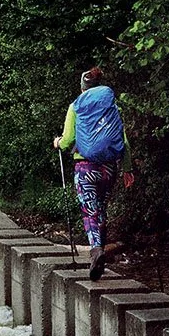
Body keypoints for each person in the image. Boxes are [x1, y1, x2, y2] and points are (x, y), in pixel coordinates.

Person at [53, 66, 135, 280]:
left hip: (86, 168)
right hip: (109, 168)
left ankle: (96, 250)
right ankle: (101, 255)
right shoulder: (111, 106)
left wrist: (58, 143)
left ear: (83, 88)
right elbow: (123, 140)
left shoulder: (76, 106)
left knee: (90, 211)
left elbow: (69, 140)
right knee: (101, 208)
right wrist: (128, 169)